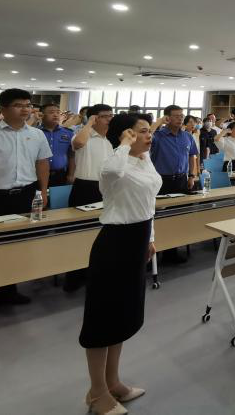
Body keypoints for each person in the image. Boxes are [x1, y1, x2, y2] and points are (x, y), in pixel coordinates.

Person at [79, 113, 158, 415]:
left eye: (149, 131)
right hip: (114, 244)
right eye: (142, 131)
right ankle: (97, 392)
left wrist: (151, 237)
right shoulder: (114, 162)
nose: (149, 136)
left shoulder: (144, 160)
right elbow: (112, 171)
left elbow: (149, 203)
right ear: (125, 134)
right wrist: (123, 144)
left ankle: (113, 382)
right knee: (102, 319)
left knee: (123, 316)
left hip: (138, 241)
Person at [0, 88, 52, 314]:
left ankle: (8, 291)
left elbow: (42, 163)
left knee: (16, 247)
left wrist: (43, 192)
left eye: (27, 105)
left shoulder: (36, 134)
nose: (25, 109)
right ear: (3, 109)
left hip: (24, 196)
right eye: (18, 105)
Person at [67, 104, 115, 292]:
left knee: (99, 235)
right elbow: (77, 143)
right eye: (105, 116)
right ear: (94, 118)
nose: (109, 119)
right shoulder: (83, 136)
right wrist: (89, 123)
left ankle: (93, 273)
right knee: (79, 234)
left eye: (111, 115)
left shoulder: (108, 141)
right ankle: (73, 277)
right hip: (84, 189)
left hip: (104, 189)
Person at [150, 105, 199, 264]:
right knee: (158, 218)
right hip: (161, 181)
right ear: (167, 118)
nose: (180, 118)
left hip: (181, 180)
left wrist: (192, 176)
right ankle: (153, 254)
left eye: (181, 116)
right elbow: (144, 137)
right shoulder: (158, 136)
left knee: (177, 216)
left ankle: (171, 252)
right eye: (176, 116)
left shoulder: (187, 136)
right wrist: (158, 122)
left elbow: (192, 156)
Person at [38, 102, 76, 188]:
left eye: (58, 112)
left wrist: (71, 174)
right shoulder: (35, 132)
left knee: (58, 196)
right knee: (39, 196)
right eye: (51, 112)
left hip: (60, 175)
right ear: (41, 115)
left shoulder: (68, 133)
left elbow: (72, 155)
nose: (55, 115)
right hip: (37, 174)